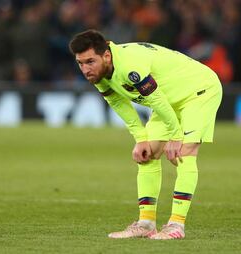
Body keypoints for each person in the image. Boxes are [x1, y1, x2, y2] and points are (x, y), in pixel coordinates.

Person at [69, 30, 222, 240]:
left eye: (90, 62)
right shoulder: (99, 73)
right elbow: (118, 103)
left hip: (198, 90)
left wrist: (176, 135)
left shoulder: (129, 65)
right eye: (80, 63)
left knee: (184, 152)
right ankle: (146, 223)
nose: (85, 69)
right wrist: (140, 139)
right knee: (147, 154)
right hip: (167, 101)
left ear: (106, 55)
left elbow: (156, 99)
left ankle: (176, 224)